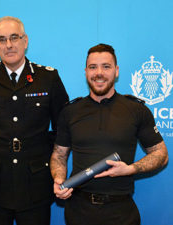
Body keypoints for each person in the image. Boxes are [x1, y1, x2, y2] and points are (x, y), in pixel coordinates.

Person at [50, 43, 168, 225]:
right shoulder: (70, 111)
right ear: (86, 71)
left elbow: (161, 154)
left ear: (116, 71)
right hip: (78, 211)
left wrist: (130, 169)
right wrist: (59, 180)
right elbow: (59, 155)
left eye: (106, 66)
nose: (99, 73)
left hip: (121, 212)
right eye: (93, 67)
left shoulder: (136, 110)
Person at [0, 16, 68, 225]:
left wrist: (41, 149)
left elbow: (63, 129)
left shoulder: (48, 78)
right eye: (1, 40)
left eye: (14, 37)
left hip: (35, 181)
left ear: (25, 40)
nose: (9, 45)